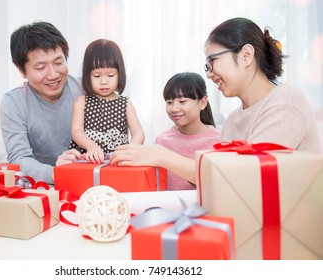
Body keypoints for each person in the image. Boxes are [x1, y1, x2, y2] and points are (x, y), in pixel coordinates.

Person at [110, 17, 322, 184]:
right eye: (207, 66)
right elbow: (218, 179)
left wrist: (160, 156)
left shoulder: (286, 103)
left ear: (246, 55)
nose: (210, 74)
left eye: (213, 61)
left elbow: (246, 177)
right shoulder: (232, 120)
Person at [0, 21, 84, 184]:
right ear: (22, 70)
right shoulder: (14, 103)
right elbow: (18, 158)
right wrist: (56, 173)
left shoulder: (85, 88)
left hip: (91, 182)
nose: (53, 74)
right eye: (40, 67)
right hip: (43, 189)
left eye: (59, 63)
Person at [68, 39, 145, 163]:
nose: (104, 81)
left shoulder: (126, 104)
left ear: (120, 74)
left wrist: (130, 148)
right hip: (87, 161)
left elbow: (138, 132)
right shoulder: (81, 102)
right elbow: (76, 131)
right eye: (97, 76)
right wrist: (91, 146)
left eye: (110, 75)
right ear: (87, 75)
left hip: (116, 162)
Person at [155, 72, 220, 190]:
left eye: (182, 101)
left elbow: (217, 185)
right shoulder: (162, 141)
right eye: (169, 102)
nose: (174, 108)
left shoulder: (219, 141)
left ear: (202, 103)